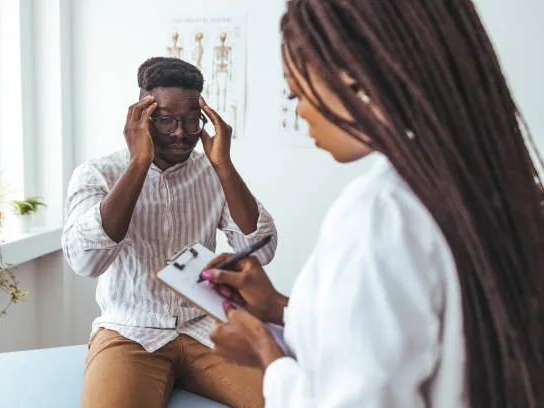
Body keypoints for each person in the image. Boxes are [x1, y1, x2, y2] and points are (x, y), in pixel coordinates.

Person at [201, 1, 544, 407]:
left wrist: (266, 355)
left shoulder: (382, 214)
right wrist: (280, 309)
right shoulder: (494, 188)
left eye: (296, 91)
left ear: (353, 76)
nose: (300, 111)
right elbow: (398, 337)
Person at [62, 56, 277, 408]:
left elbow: (262, 251)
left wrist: (224, 166)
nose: (180, 132)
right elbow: (86, 263)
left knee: (293, 398)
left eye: (192, 120)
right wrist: (139, 163)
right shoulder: (97, 174)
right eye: (166, 120)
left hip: (206, 327)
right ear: (141, 116)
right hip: (129, 332)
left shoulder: (213, 171)